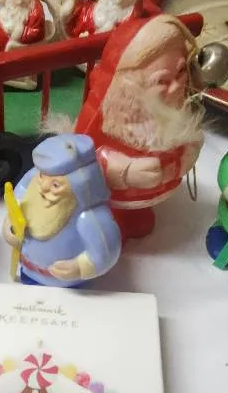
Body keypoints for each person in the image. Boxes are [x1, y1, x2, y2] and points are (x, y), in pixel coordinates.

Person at [75, 13, 205, 240]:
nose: (177, 86)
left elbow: (186, 140)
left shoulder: (176, 108)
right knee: (108, 225)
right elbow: (81, 155)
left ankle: (135, 215)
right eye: (162, 81)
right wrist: (124, 171)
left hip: (150, 195)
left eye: (181, 72)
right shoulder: (105, 118)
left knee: (141, 221)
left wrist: (186, 155)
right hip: (112, 197)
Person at [3, 133, 121, 287]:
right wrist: (9, 225)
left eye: (56, 185)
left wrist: (80, 268)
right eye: (42, 176)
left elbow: (107, 251)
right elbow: (17, 198)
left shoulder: (89, 218)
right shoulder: (33, 181)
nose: (44, 187)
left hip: (68, 286)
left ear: (79, 187)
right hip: (28, 272)